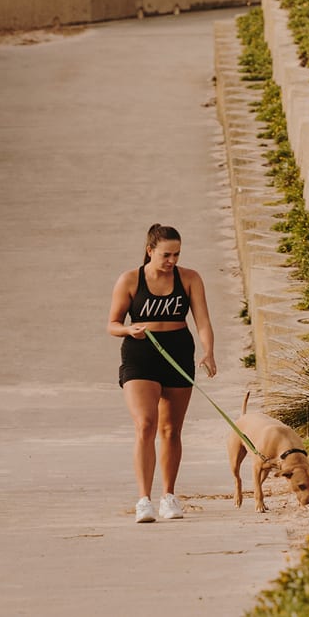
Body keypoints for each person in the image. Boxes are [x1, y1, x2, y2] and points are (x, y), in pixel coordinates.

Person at [108, 223, 217, 523]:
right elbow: (112, 323)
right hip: (141, 353)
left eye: (177, 254)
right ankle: (144, 500)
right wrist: (129, 329)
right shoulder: (130, 279)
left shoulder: (190, 278)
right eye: (166, 255)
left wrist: (208, 351)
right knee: (145, 424)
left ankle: (168, 496)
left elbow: (203, 321)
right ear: (150, 251)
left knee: (171, 430)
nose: (172, 261)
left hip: (178, 352)